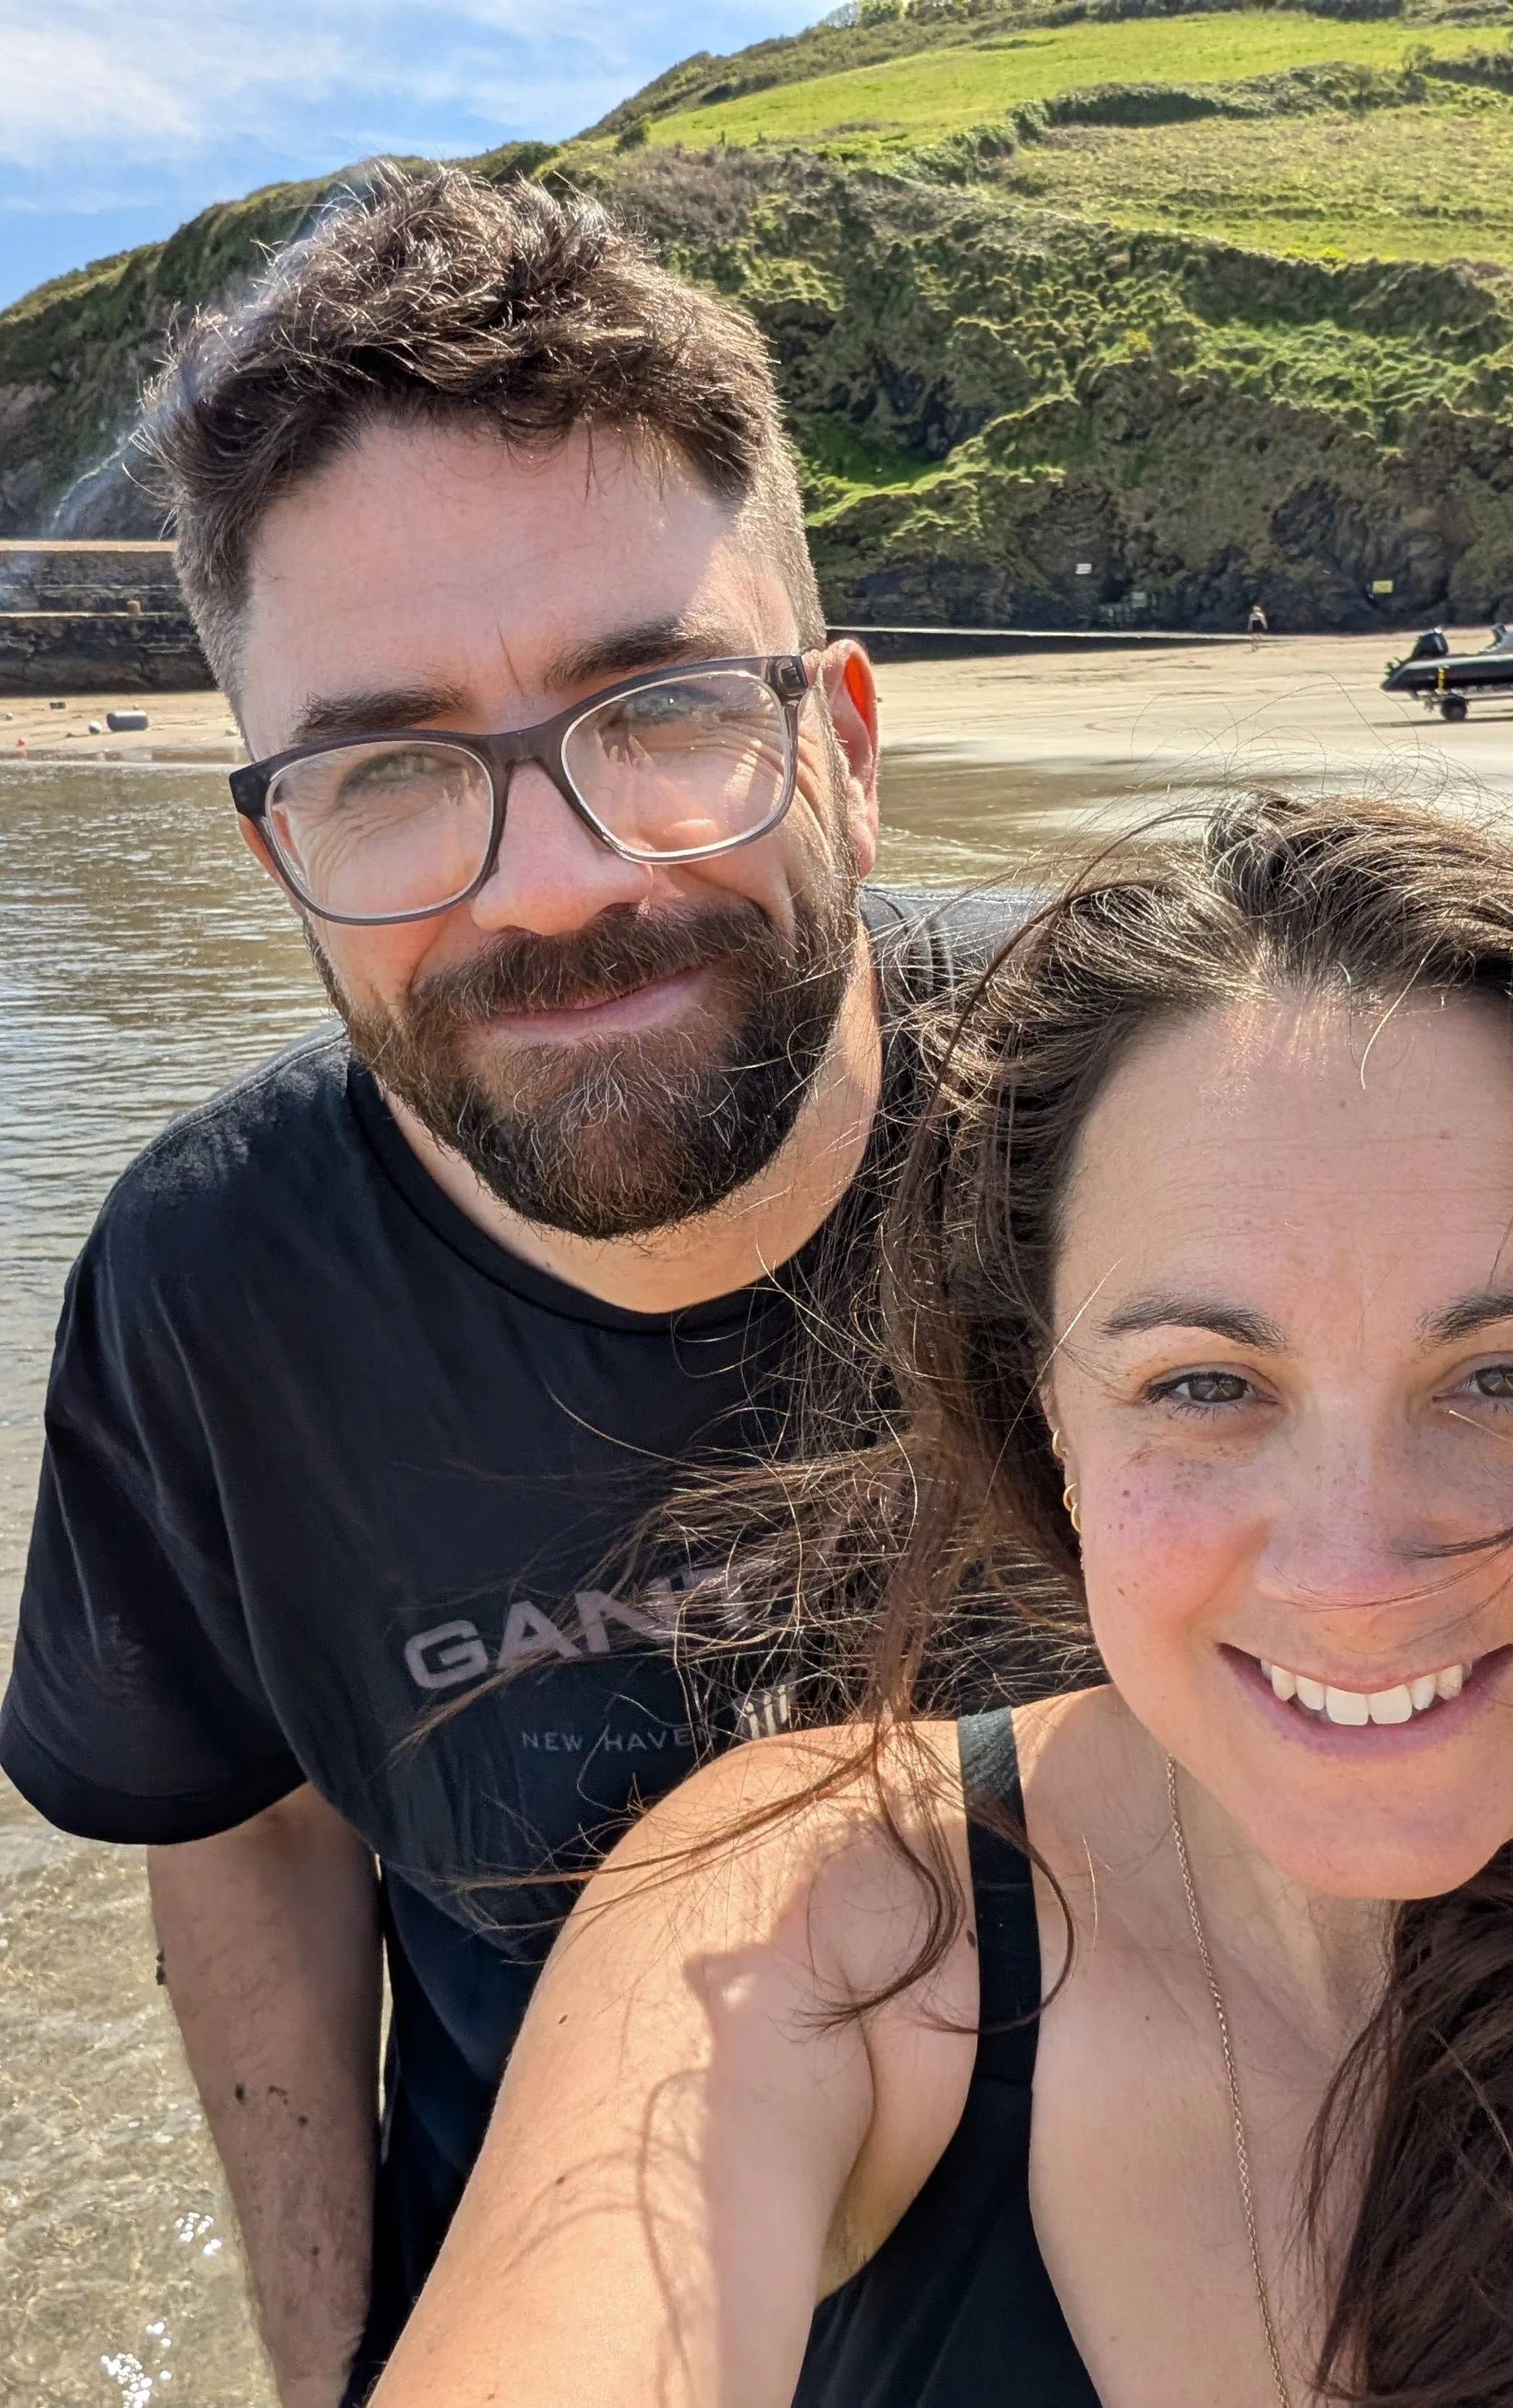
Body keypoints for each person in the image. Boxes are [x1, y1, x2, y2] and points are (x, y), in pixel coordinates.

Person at [374, 793, 1513, 2408]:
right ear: (1040, 1408)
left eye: (1508, 1379)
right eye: (1202, 1383)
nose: (1345, 1573)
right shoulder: (820, 1922)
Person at [0, 168, 1025, 2408]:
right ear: (277, 845)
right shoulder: (207, 1292)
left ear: (843, 742)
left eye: (656, 711)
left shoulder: (1168, 1120)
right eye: (387, 772)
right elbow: (238, 1824)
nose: (553, 887)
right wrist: (334, 2353)